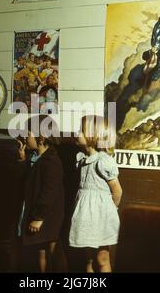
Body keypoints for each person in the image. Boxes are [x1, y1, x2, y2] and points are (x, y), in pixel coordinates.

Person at [69, 115, 123, 273]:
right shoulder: (82, 159)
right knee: (88, 260)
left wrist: (109, 211)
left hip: (101, 218)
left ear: (93, 135)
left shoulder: (102, 161)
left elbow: (117, 191)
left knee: (102, 259)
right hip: (85, 218)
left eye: (80, 130)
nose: (76, 133)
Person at [16, 115, 64, 272]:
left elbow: (49, 192)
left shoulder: (51, 161)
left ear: (41, 137)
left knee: (52, 254)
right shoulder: (37, 158)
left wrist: (38, 217)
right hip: (39, 214)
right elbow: (28, 182)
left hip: (47, 216)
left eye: (28, 132)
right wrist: (22, 160)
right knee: (40, 252)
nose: (24, 136)